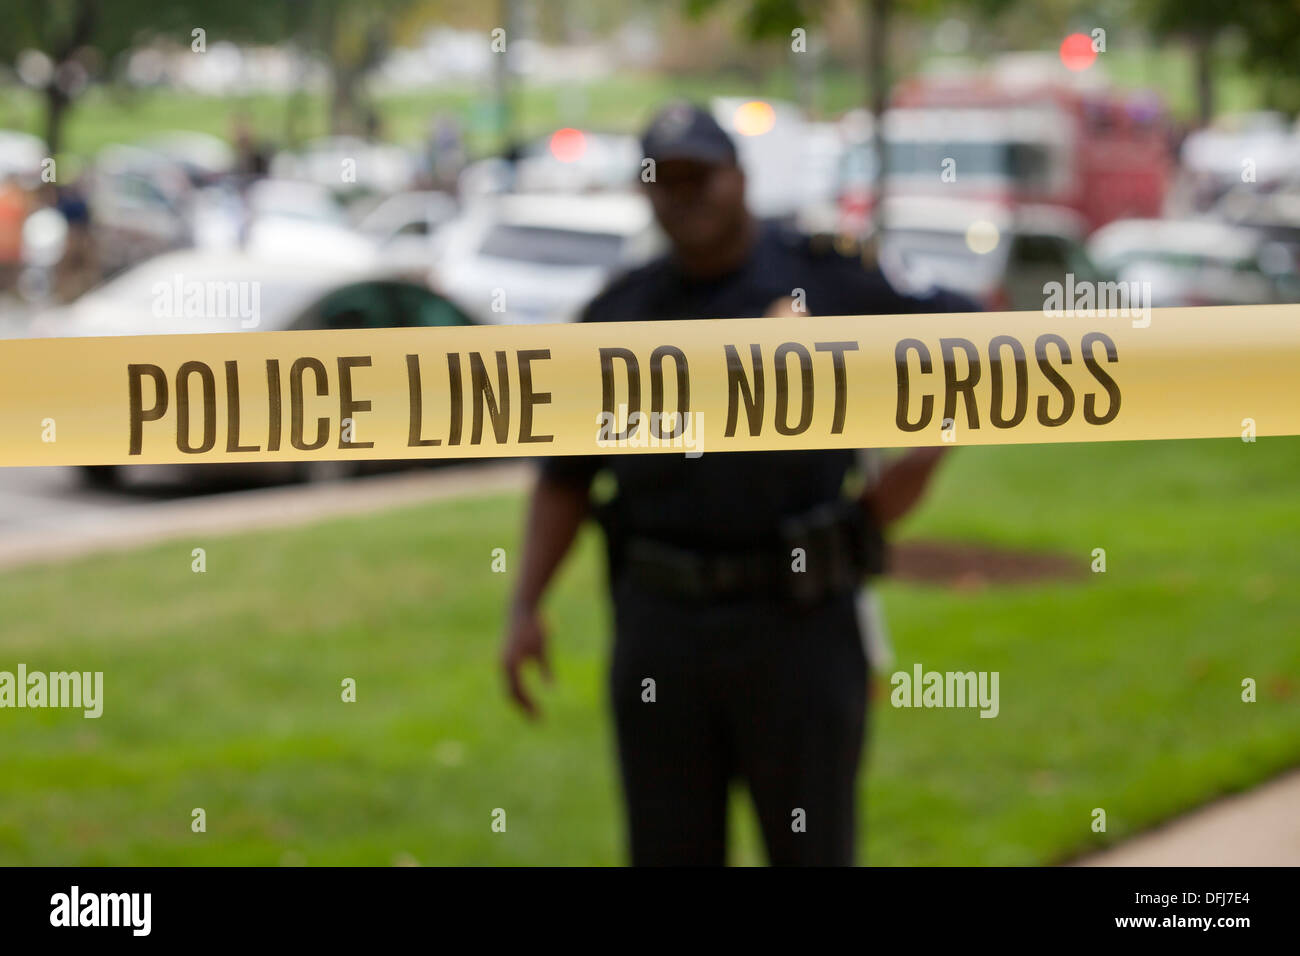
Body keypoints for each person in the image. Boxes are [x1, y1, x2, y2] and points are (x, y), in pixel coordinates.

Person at [501, 102, 976, 866]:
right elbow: (564, 480)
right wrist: (525, 604)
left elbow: (969, 346)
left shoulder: (826, 275)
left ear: (741, 179)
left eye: (700, 175)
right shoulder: (617, 316)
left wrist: (910, 472)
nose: (683, 194)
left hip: (800, 622)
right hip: (661, 630)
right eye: (664, 178)